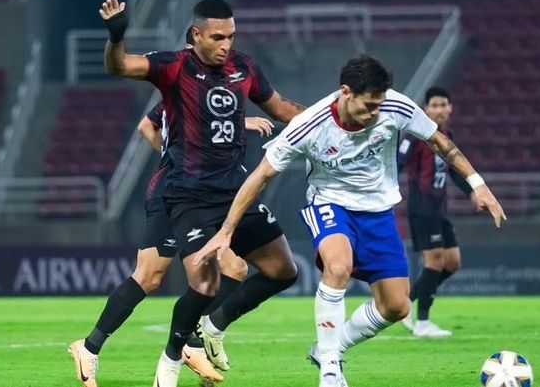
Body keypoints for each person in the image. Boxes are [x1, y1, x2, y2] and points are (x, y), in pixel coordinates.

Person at [193, 54, 506, 387]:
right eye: (369, 105)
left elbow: (438, 141)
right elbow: (262, 175)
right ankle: (330, 369)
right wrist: (226, 231)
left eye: (379, 105)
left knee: (397, 306)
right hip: (329, 203)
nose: (375, 113)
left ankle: (328, 347)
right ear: (345, 92)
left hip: (378, 210)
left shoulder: (395, 107)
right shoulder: (310, 124)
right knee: (338, 267)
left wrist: (478, 184)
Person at [98, 0, 306, 387]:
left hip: (235, 190)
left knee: (283, 270)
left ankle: (214, 325)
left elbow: (282, 108)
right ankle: (170, 364)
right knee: (204, 282)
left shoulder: (244, 67)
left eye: (231, 36)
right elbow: (119, 65)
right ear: (196, 35)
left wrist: (332, 115)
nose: (226, 44)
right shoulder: (174, 66)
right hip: (189, 194)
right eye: (217, 37)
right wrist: (116, 34)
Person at [68, 43, 276, 387]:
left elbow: (158, 127)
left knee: (234, 268)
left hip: (200, 194)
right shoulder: (182, 86)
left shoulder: (203, 88)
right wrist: (175, 159)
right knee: (150, 277)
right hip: (172, 194)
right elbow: (146, 127)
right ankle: (90, 348)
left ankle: (191, 342)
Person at [397, 86, 471, 337]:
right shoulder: (416, 135)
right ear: (426, 109)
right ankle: (423, 322)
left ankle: (405, 303)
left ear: (450, 108)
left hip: (440, 211)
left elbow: (453, 170)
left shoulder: (446, 135)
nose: (439, 110)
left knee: (452, 263)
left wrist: (473, 192)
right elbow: (397, 162)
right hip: (421, 209)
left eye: (443, 105)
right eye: (434, 105)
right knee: (435, 261)